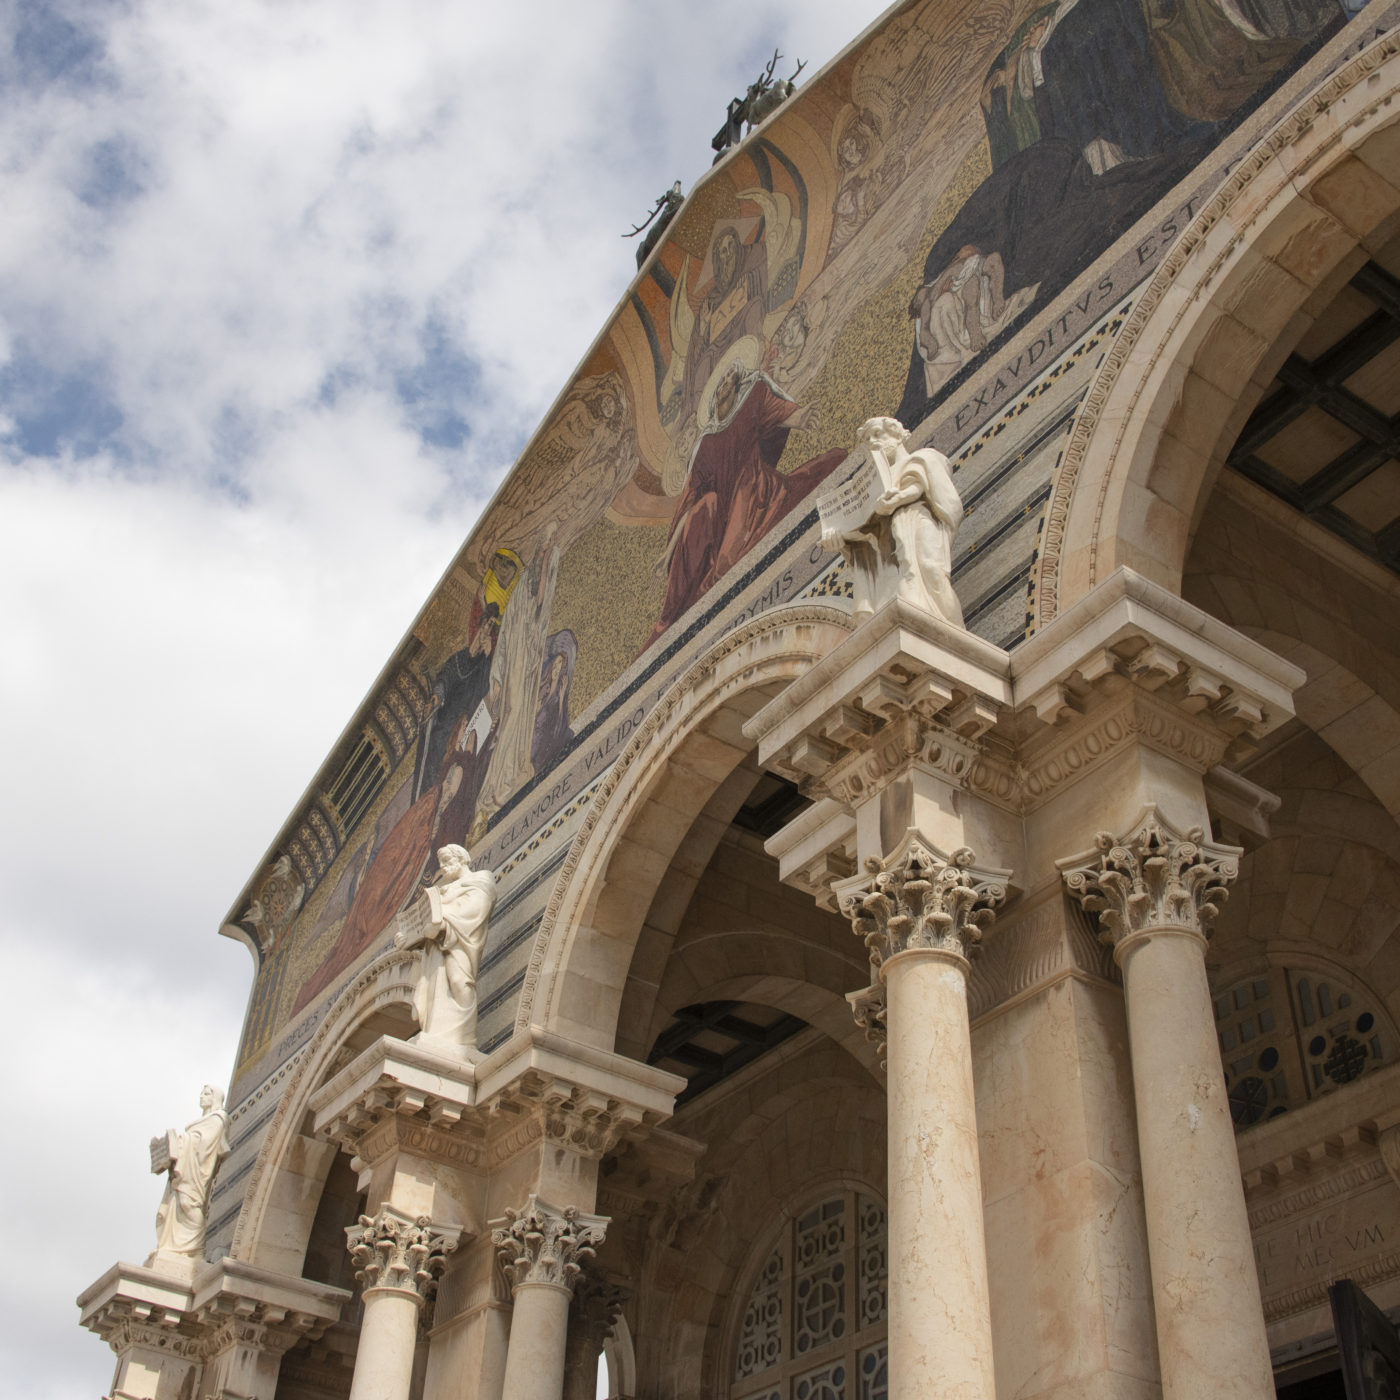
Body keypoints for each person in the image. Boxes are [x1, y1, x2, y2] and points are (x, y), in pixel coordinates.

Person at [646, 350, 847, 648]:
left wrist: (799, 417)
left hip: (754, 492)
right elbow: (691, 502)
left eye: (730, 376)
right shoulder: (706, 443)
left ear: (737, 383)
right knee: (710, 513)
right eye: (721, 380)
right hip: (721, 519)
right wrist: (669, 552)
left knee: (730, 557)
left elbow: (775, 411)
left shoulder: (750, 401)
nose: (724, 382)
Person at [822, 417, 965, 626]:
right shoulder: (871, 485)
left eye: (877, 434)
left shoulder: (923, 458)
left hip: (917, 518)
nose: (873, 442)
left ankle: (954, 629)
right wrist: (841, 539)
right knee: (900, 587)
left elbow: (930, 487)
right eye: (868, 440)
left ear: (897, 435)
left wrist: (900, 497)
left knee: (931, 569)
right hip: (885, 540)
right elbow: (867, 528)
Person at [395, 845, 496, 1057]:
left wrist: (443, 922)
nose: (443, 867)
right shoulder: (444, 890)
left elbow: (475, 909)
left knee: (459, 981)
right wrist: (407, 938)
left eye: (447, 861)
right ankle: (440, 1034)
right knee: (437, 985)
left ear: (461, 859)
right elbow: (428, 922)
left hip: (461, 941)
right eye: (441, 863)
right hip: (438, 947)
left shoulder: (480, 879)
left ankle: (464, 1038)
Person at [150, 1085, 230, 1264]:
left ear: (215, 1098)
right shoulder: (203, 1121)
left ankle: (195, 1248)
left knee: (189, 1203)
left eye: (206, 1094)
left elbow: (206, 1145)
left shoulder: (218, 1119)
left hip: (197, 1170)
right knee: (178, 1204)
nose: (202, 1096)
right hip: (186, 1168)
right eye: (202, 1093)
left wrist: (180, 1142)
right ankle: (176, 1248)